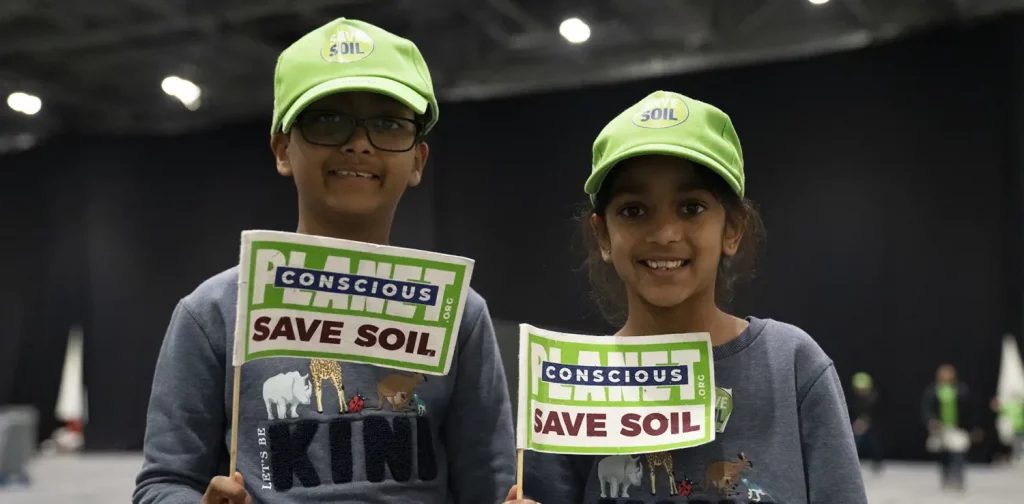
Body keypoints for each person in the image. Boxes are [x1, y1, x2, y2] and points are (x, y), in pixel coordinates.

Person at [133, 18, 516, 504]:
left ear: (418, 160)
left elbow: (490, 479)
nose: (358, 142)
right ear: (282, 149)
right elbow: (162, 484)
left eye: (388, 123)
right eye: (327, 120)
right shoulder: (211, 313)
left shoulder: (458, 312)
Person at [507, 90, 866, 503]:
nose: (664, 234)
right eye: (633, 210)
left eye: (691, 208)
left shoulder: (793, 366)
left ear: (732, 229)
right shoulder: (565, 386)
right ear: (603, 235)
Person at [921, 364, 976, 491]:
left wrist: (971, 427)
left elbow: (969, 410)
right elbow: (927, 409)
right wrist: (931, 420)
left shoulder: (961, 390)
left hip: (957, 428)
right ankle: (946, 477)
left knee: (959, 453)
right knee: (943, 454)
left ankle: (958, 478)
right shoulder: (933, 390)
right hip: (940, 428)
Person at [848, 371, 884, 473]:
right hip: (858, 424)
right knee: (855, 441)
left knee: (873, 441)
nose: (860, 391)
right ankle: (852, 462)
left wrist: (864, 422)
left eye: (862, 389)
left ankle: (877, 462)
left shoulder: (873, 396)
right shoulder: (854, 398)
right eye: (858, 389)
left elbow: (872, 412)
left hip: (870, 424)